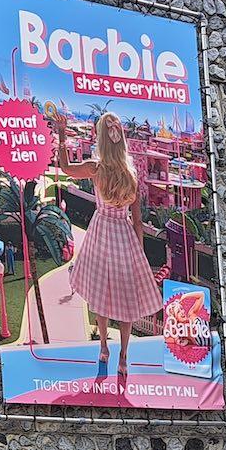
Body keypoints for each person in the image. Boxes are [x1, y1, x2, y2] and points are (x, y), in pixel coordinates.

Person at [51, 113, 167, 382]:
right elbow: (137, 221)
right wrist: (138, 250)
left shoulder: (96, 167)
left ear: (101, 139)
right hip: (124, 235)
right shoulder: (131, 174)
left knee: (99, 294)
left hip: (101, 231)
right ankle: (124, 357)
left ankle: (104, 346)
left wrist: (61, 134)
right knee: (126, 302)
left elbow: (67, 168)